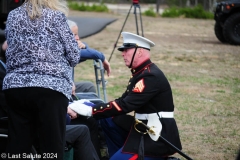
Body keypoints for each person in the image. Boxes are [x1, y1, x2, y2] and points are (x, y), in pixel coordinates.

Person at [69, 32, 182, 160]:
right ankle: (117, 152)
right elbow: (122, 101)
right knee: (108, 119)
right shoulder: (140, 72)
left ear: (139, 52)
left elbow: (125, 105)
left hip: (154, 136)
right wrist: (92, 106)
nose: (123, 54)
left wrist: (91, 110)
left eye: (126, 50)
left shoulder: (150, 76)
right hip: (142, 127)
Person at [2, 0, 81, 159]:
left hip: (16, 86)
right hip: (50, 88)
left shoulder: (12, 16)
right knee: (51, 146)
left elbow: (8, 48)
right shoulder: (56, 16)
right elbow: (74, 56)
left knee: (18, 146)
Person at [0, 41, 100, 160]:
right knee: (83, 128)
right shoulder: (9, 74)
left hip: (26, 122)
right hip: (24, 128)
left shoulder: (11, 69)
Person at [67, 19, 111, 93]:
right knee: (94, 97)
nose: (78, 38)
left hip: (66, 87)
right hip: (63, 90)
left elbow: (86, 52)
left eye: (77, 34)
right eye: (74, 35)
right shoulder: (64, 50)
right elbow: (90, 53)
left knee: (88, 86)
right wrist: (102, 57)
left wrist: (85, 47)